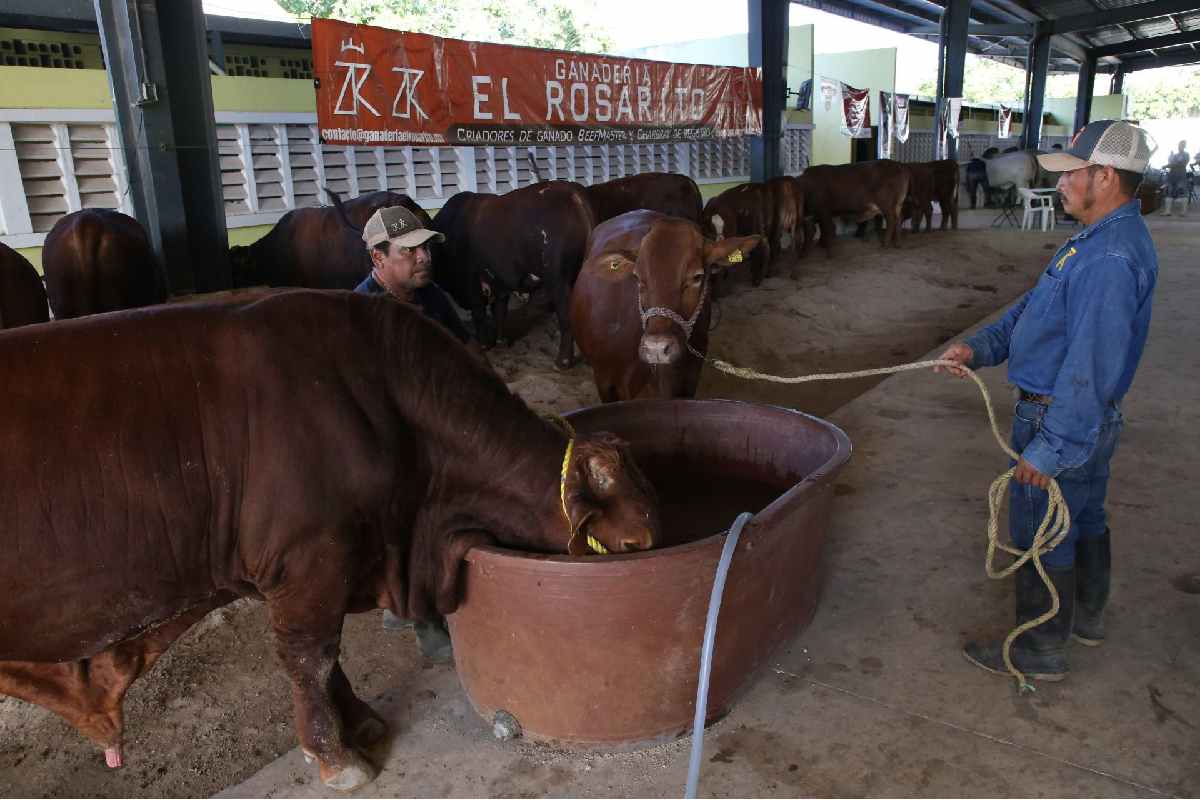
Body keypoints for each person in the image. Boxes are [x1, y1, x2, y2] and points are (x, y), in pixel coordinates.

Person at [936, 119, 1158, 682]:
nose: (1058, 184)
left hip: (1057, 416)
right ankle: (1086, 617)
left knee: (1040, 531)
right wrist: (979, 347)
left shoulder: (1109, 260)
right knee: (1083, 517)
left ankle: (1040, 649)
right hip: (1084, 421)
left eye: (1069, 174)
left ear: (1104, 177)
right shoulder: (1093, 240)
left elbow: (1091, 366)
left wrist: (1051, 446)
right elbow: (1032, 309)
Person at [355, 205, 463, 662]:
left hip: (437, 424)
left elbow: (467, 355)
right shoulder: (358, 313)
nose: (423, 258)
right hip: (388, 438)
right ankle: (425, 621)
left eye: (425, 248)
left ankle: (400, 602)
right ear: (378, 259)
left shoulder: (433, 299)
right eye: (409, 251)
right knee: (412, 522)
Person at [1163, 140, 1190, 216]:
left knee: (1182, 193)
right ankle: (1167, 211)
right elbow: (1171, 163)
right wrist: (1169, 159)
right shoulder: (1174, 155)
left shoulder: (1186, 155)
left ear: (1184, 146)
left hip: (1181, 176)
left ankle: (1183, 212)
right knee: (1169, 192)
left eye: (1182, 145)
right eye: (1179, 145)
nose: (1180, 146)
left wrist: (1169, 164)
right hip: (1171, 176)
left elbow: (1181, 163)